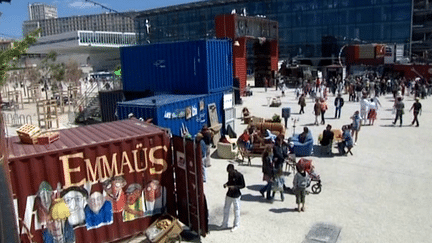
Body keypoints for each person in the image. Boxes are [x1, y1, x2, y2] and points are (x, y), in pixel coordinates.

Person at [221, 164, 245, 232]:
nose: (229, 173)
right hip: (229, 194)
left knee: (236, 210)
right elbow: (229, 182)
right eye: (228, 172)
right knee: (226, 209)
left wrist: (235, 187)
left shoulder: (239, 175)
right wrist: (226, 184)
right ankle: (224, 224)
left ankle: (236, 225)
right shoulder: (229, 174)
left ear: (233, 170)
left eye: (230, 172)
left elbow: (243, 185)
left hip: (236, 195)